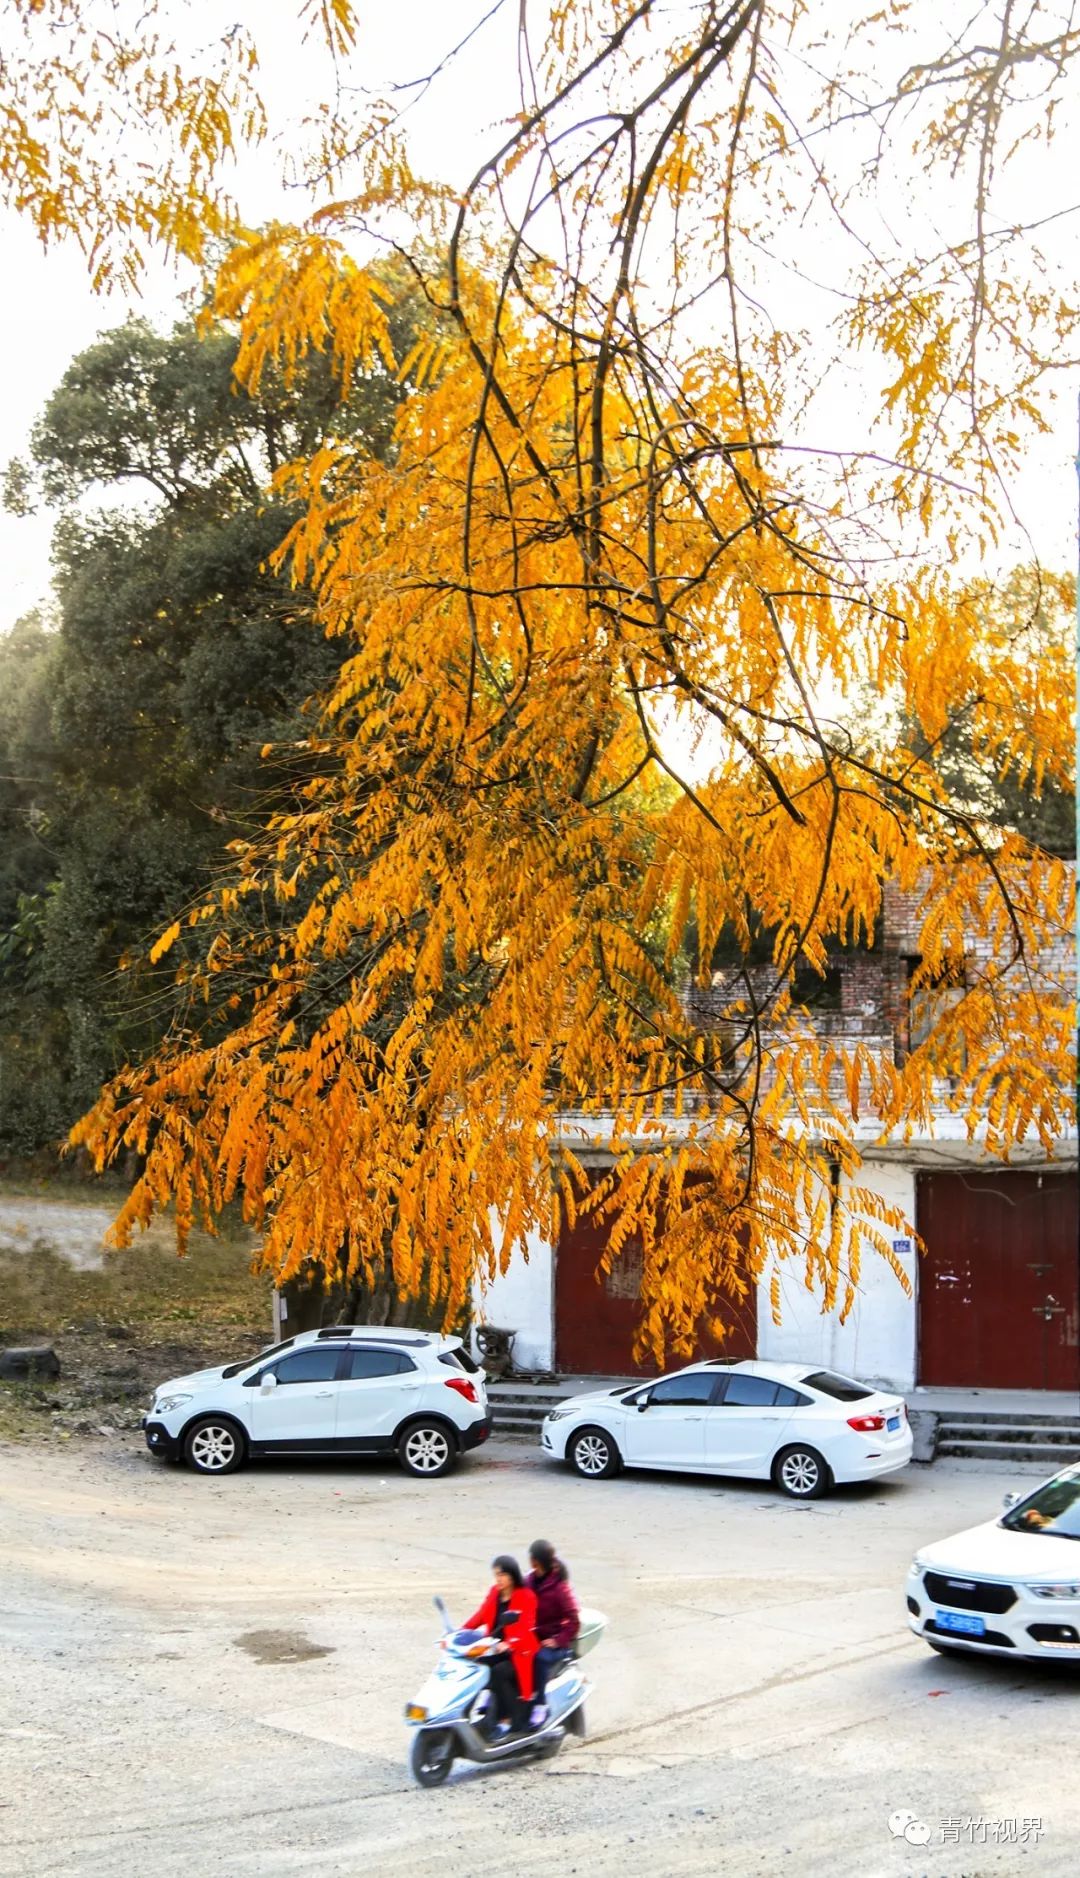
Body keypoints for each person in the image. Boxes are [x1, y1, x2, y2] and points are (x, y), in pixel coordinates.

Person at [464, 1555, 538, 1734]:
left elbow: (526, 1626)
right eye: (496, 1574)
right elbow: (481, 1615)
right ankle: (480, 1717)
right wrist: (462, 1632)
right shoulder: (494, 1593)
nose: (498, 1579)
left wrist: (509, 1643)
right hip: (494, 1648)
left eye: (502, 1574)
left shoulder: (526, 1596)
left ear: (512, 1575)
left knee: (498, 1673)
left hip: (520, 1651)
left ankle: (515, 1719)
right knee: (472, 1668)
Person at [526, 1539, 580, 1727]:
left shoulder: (559, 1588)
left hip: (555, 1642)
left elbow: (574, 1621)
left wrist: (557, 1641)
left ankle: (540, 1705)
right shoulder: (529, 1581)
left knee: (538, 1659)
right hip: (534, 1637)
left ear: (535, 1561)